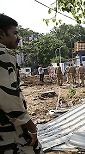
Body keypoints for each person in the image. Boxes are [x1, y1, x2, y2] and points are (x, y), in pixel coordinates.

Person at [0, 14, 43, 153]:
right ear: (1, 34)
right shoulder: (4, 55)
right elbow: (8, 96)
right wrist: (29, 124)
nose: (18, 38)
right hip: (8, 126)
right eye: (15, 33)